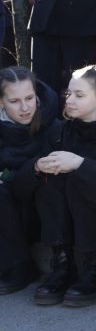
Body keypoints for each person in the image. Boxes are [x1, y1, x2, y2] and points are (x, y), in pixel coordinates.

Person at [17, 63, 96, 306]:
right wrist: (37, 166)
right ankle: (62, 264)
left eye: (79, 95)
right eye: (69, 93)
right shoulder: (60, 132)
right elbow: (21, 189)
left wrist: (81, 165)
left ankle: (95, 268)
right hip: (64, 220)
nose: (69, 100)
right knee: (48, 183)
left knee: (81, 181)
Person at [0, 67, 62, 294]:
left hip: (42, 205)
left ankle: (57, 265)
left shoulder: (53, 125)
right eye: (15, 101)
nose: (25, 107)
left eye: (29, 98)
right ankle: (16, 264)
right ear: (1, 103)